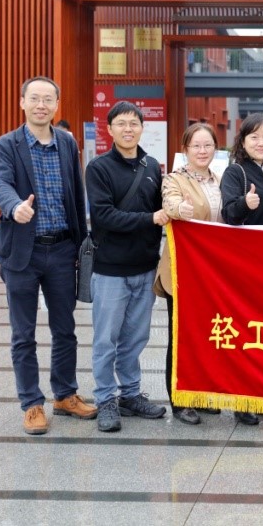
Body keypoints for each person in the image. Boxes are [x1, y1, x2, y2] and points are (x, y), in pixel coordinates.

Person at [0, 76, 95, 435]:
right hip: (22, 252)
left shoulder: (67, 143)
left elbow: (76, 195)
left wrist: (81, 244)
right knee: (24, 333)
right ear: (22, 102)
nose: (41, 105)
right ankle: (32, 403)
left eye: (48, 99)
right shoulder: (6, 145)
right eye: (34, 98)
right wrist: (14, 206)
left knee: (65, 329)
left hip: (62, 250)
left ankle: (64, 394)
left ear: (56, 105)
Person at [87, 101, 169, 432]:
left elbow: (163, 208)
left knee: (136, 338)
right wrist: (150, 219)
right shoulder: (99, 168)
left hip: (145, 268)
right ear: (109, 129)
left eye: (134, 123)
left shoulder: (152, 167)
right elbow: (104, 215)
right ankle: (105, 399)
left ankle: (131, 394)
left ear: (142, 128)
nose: (128, 129)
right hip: (110, 270)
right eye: (121, 123)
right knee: (106, 339)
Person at [155, 122, 224, 425]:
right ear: (185, 149)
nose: (202, 151)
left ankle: (202, 394)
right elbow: (170, 202)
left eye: (207, 145)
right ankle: (180, 400)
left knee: (207, 335)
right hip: (183, 271)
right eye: (196, 145)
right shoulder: (175, 179)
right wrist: (178, 209)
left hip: (213, 273)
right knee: (181, 336)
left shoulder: (220, 179)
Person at [220, 112, 263, 426]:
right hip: (243, 266)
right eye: (254, 137)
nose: (261, 142)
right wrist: (246, 203)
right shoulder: (236, 172)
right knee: (246, 332)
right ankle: (243, 400)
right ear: (243, 141)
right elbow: (229, 213)